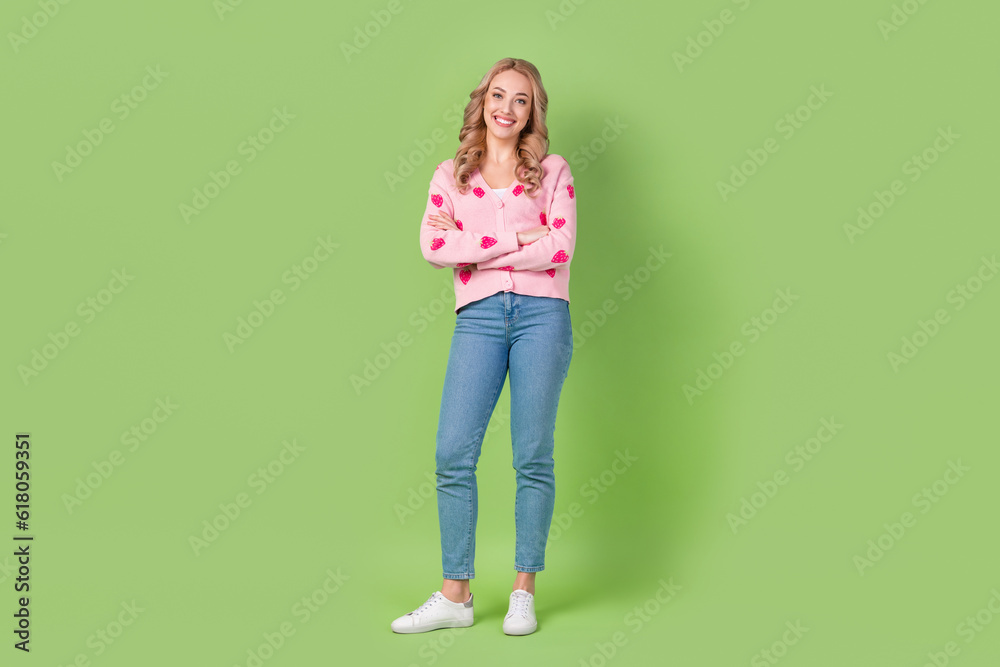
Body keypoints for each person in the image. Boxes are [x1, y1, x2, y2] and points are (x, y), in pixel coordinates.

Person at [390, 57, 577, 636]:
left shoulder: (552, 170)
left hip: (543, 317)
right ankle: (456, 595)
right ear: (483, 101)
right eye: (499, 95)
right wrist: (519, 235)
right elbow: (432, 245)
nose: (507, 108)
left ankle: (524, 590)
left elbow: (561, 247)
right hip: (477, 319)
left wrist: (477, 248)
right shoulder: (452, 175)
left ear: (531, 113)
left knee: (532, 454)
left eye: (521, 100)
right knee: (453, 453)